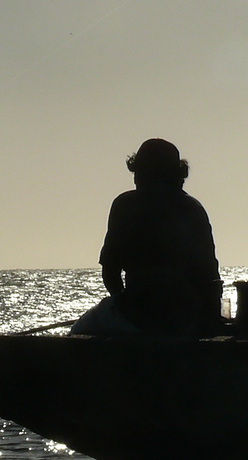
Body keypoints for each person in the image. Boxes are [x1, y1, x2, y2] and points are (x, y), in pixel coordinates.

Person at [71, 139, 223, 336]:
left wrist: (125, 304)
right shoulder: (193, 208)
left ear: (141, 173)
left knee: (79, 332)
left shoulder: (125, 206)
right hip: (186, 317)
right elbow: (210, 275)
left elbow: (110, 271)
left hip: (138, 313)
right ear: (178, 175)